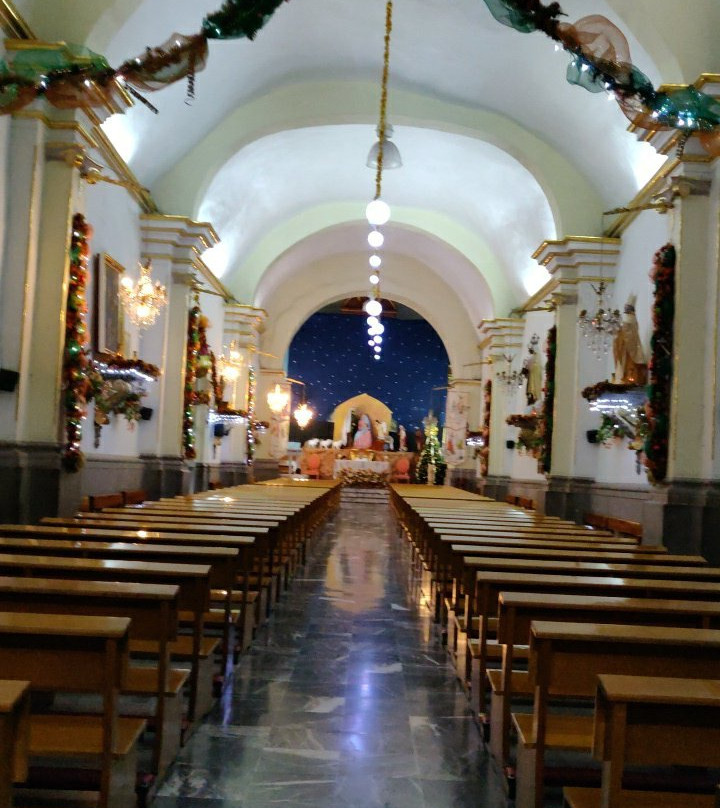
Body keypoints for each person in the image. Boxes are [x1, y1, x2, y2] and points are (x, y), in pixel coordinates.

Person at [613, 295, 648, 385]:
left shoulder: (630, 323)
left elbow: (632, 336)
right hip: (625, 357)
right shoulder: (623, 328)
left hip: (631, 359)